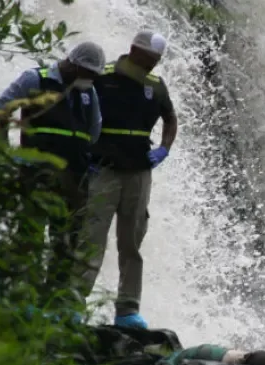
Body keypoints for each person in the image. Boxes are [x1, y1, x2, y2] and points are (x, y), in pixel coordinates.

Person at [78, 30, 179, 329]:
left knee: (132, 241)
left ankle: (127, 309)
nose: (151, 66)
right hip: (103, 168)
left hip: (138, 172)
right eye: (148, 59)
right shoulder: (102, 76)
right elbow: (78, 109)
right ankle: (72, 302)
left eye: (156, 61)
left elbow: (171, 118)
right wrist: (82, 152)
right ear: (134, 49)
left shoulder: (155, 86)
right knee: (91, 237)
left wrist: (164, 148)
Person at [0, 41, 105, 306]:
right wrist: (2, 150)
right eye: (90, 74)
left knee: (66, 243)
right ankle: (22, 297)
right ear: (75, 65)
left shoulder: (88, 93)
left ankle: (54, 303)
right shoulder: (36, 79)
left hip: (75, 179)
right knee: (29, 235)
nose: (92, 80)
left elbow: (95, 129)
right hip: (36, 173)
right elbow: (1, 110)